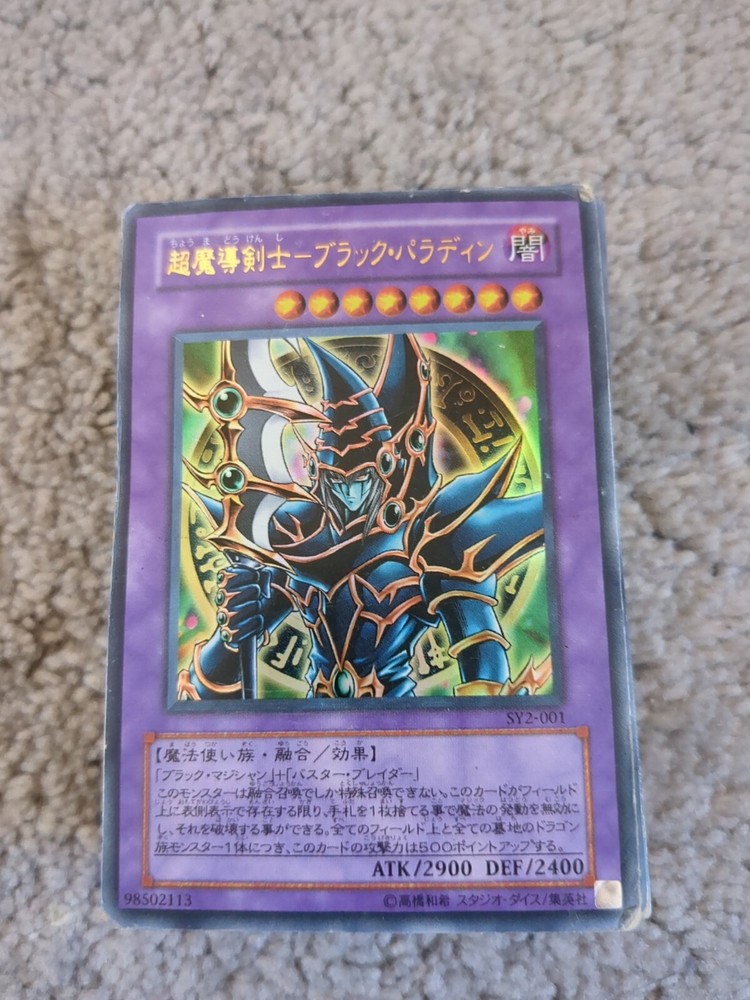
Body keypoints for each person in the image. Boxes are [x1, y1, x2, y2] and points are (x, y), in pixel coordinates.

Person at [184, 334, 544, 699]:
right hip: (313, 717)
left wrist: (486, 711)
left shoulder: (433, 534)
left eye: (361, 480)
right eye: (337, 481)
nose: (350, 495)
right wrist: (234, 631)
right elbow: (211, 686)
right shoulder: (296, 537)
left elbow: (480, 649)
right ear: (318, 474)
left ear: (387, 468)